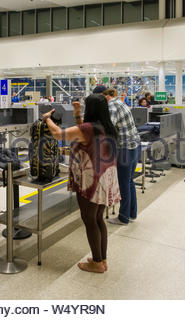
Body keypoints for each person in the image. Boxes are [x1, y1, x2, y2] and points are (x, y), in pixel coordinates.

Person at [41, 94, 121, 273]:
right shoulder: (106, 127)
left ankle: (97, 264)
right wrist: (77, 114)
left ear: (91, 109)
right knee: (98, 218)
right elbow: (82, 131)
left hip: (90, 180)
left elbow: (57, 134)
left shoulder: (88, 128)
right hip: (104, 177)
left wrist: (47, 119)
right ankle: (101, 259)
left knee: (89, 219)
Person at [101, 88, 141, 225]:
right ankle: (131, 214)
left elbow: (108, 127)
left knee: (123, 183)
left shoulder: (111, 105)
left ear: (104, 96)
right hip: (134, 146)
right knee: (129, 181)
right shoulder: (120, 103)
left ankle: (123, 217)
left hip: (125, 149)